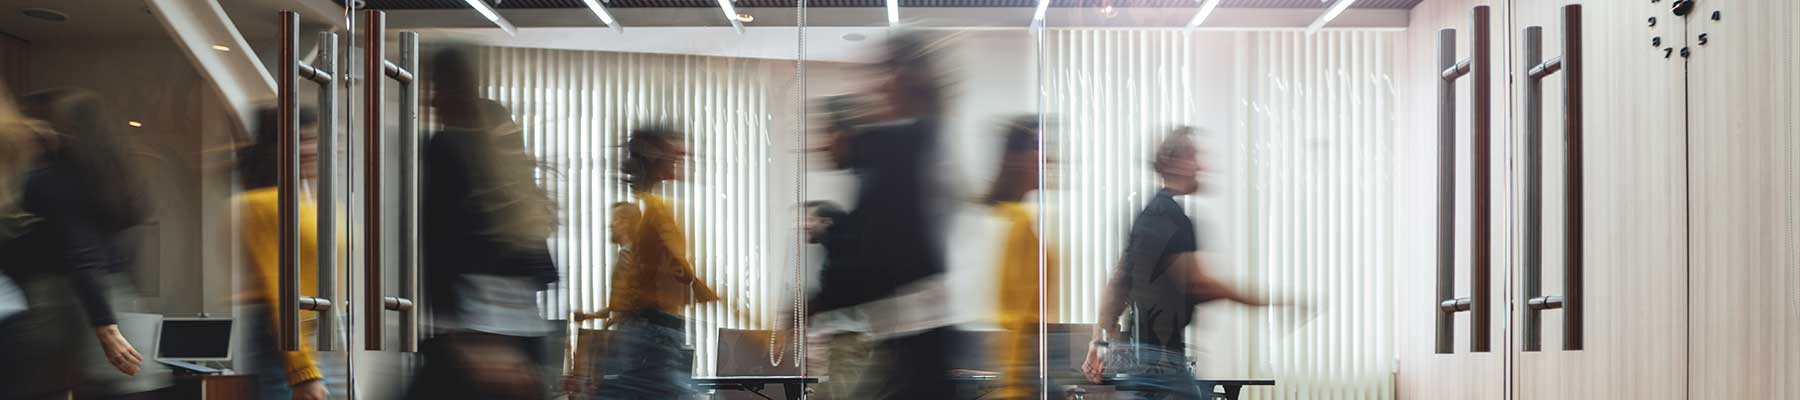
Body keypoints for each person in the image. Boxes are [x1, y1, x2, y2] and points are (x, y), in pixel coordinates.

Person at [809, 31, 957, 400]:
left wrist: (813, 304)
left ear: (905, 76)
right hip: (910, 340)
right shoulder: (927, 141)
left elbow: (882, 251)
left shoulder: (899, 147)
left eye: (884, 72)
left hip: (914, 339)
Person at [1080, 127, 1279, 400]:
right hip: (1162, 363)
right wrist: (1264, 301)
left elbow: (1118, 283)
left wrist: (1098, 341)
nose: (1201, 165)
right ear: (1172, 162)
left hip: (1146, 358)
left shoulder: (1148, 214)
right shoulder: (1172, 219)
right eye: (1193, 157)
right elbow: (1199, 284)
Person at [410, 45, 560, 400]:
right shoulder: (502, 148)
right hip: (527, 333)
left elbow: (440, 241)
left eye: (435, 88)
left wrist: (460, 333)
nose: (431, 101)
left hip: (477, 333)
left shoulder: (446, 146)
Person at [0, 88, 148, 399]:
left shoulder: (50, 179)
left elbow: (81, 252)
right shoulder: (111, 179)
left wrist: (106, 327)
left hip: (65, 301)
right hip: (111, 296)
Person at [594, 125, 720, 400]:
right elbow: (673, 267)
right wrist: (697, 285)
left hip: (654, 327)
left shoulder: (652, 206)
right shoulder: (654, 209)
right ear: (657, 159)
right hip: (653, 330)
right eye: (675, 153)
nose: (682, 157)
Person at [233, 105, 333, 400]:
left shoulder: (303, 203)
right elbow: (282, 293)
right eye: (303, 140)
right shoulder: (267, 204)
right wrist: (303, 372)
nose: (313, 148)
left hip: (309, 335)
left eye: (315, 138)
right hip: (286, 339)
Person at [985, 116, 1059, 400]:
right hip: (1016, 379)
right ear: (1015, 157)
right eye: (1038, 148)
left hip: (1022, 374)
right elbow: (1014, 318)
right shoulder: (1015, 222)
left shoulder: (1007, 218)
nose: (1048, 159)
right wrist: (1014, 389)